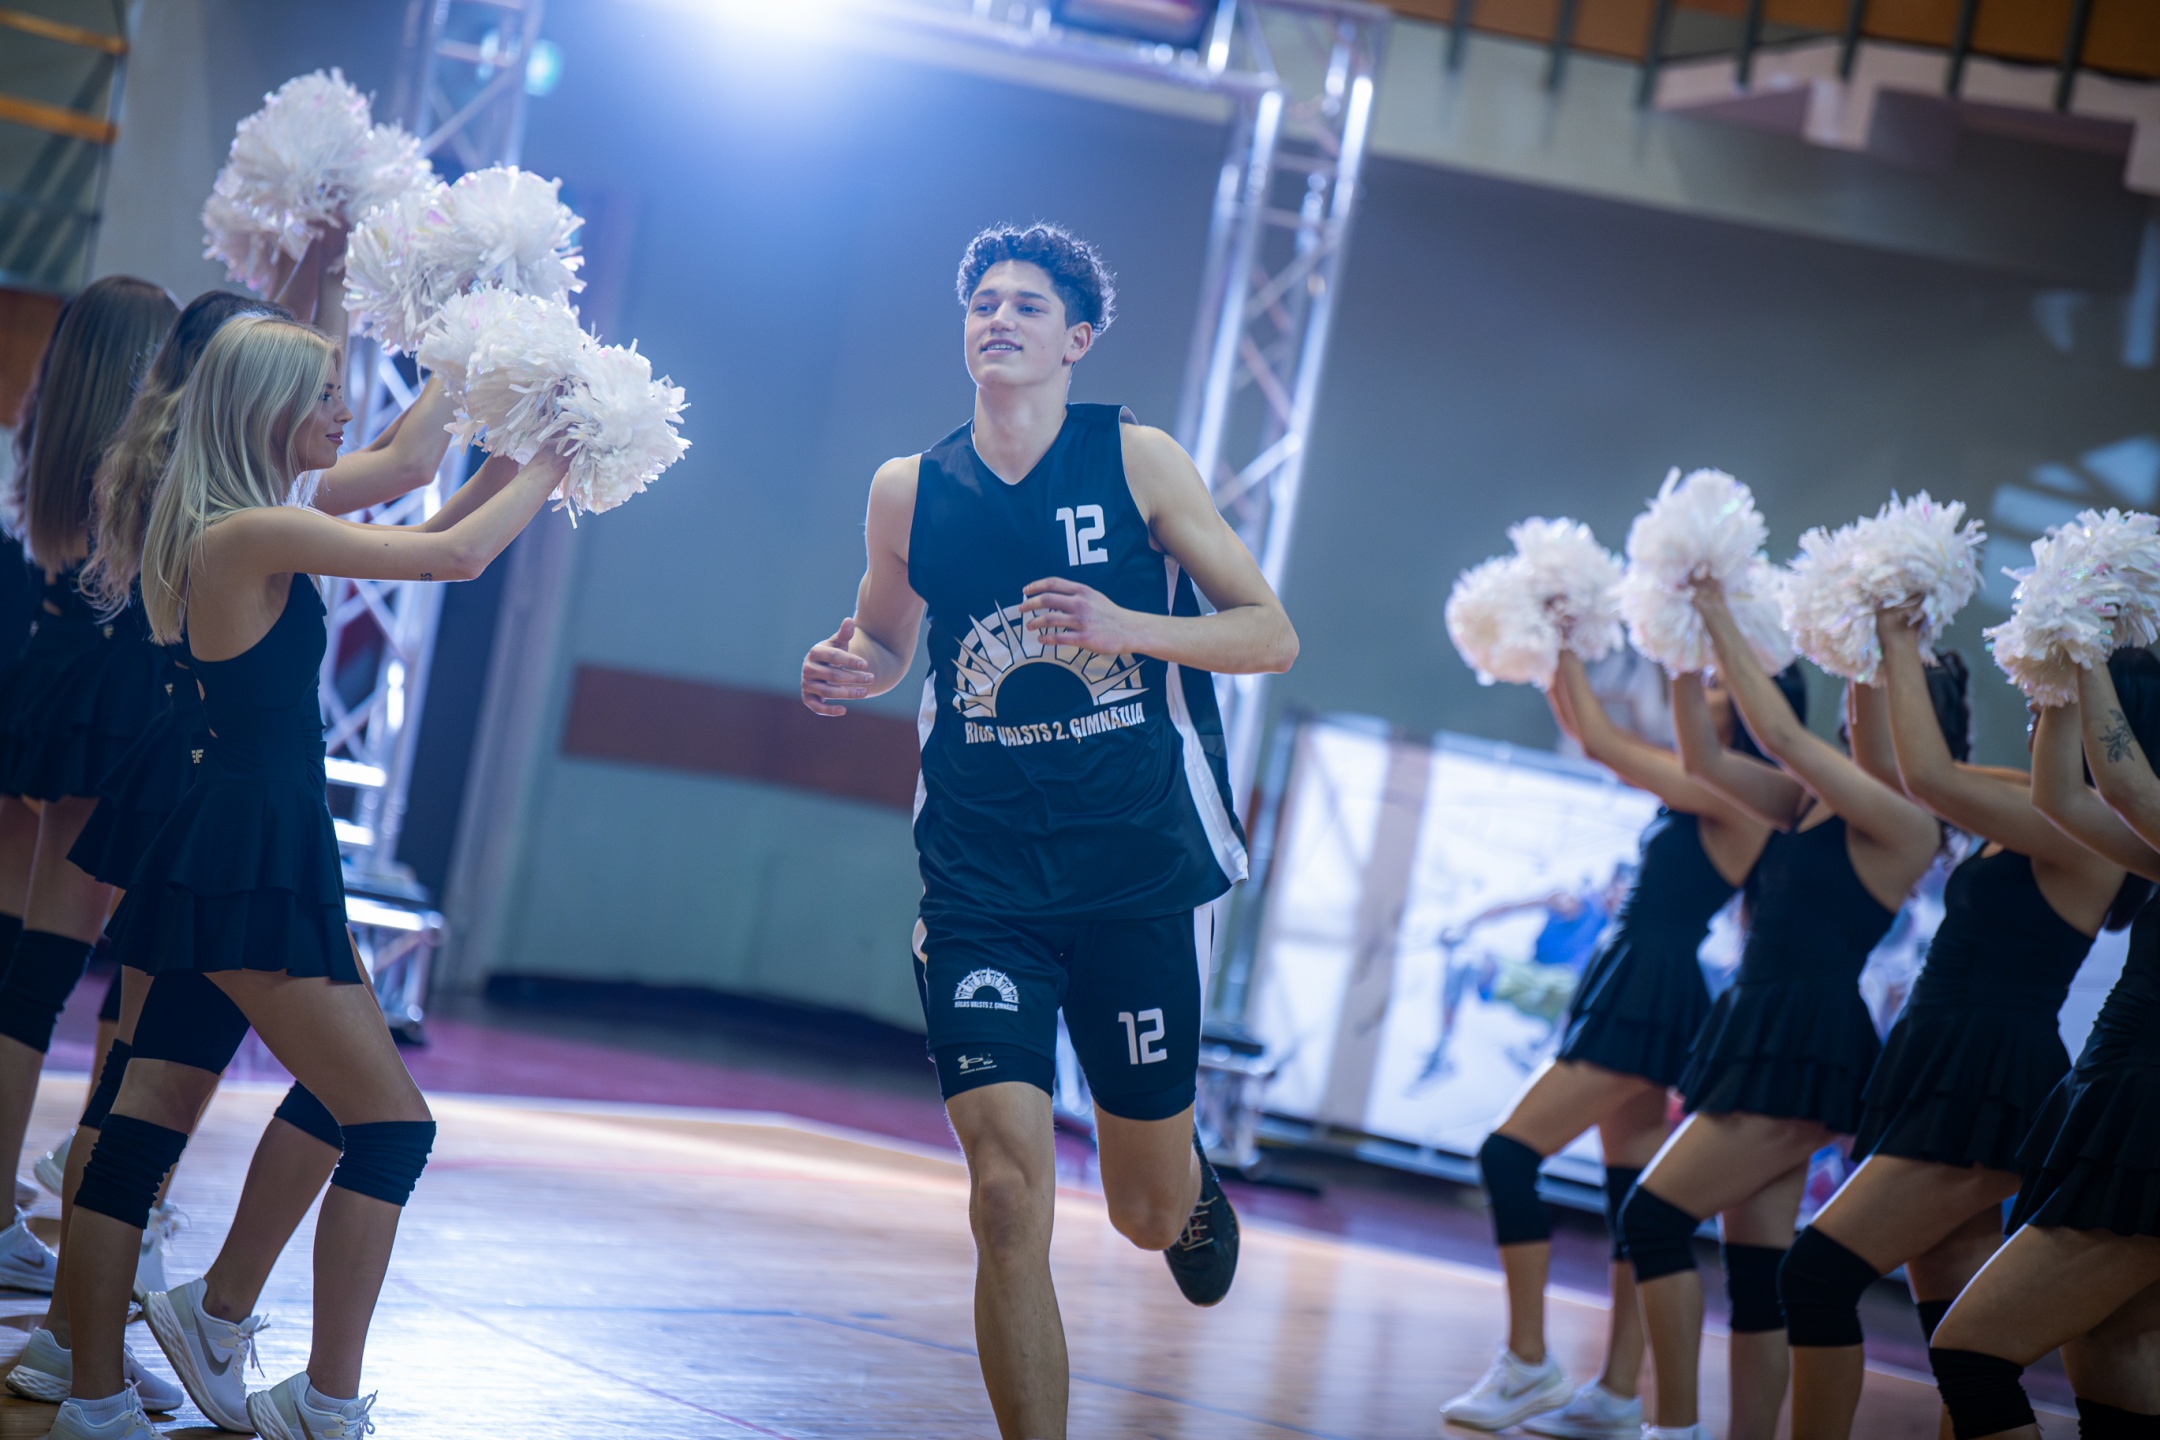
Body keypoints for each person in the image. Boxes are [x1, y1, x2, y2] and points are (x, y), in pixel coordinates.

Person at [798, 223, 1296, 1440]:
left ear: (1077, 339)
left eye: (1027, 304)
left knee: (1140, 1210)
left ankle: (1183, 1184)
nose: (999, 317)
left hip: (1133, 874)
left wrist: (1131, 625)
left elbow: (1269, 633)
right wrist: (851, 664)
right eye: (983, 301)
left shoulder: (1137, 460)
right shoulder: (910, 489)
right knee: (1008, 1198)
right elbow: (888, 635)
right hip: (982, 884)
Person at [50, 313, 566, 1440]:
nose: (344, 413)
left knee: (143, 1127)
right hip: (249, 850)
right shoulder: (250, 530)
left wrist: (518, 448)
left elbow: (437, 523)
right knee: (390, 1125)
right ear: (266, 412)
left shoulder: (240, 519)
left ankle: (107, 1385)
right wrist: (562, 461)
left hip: (230, 841)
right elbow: (452, 558)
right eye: (327, 395)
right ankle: (320, 1400)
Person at [1777, 616, 2145, 1440]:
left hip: (1985, 1075)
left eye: (2062, 699)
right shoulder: (2036, 800)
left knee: (1817, 1276)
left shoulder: (2093, 833)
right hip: (1941, 1058)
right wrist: (1865, 644)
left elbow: (1930, 774)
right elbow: (1889, 768)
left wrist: (1896, 636)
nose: (2042, 708)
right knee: (1956, 1335)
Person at [1620, 579, 1959, 1440]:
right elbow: (1706, 760)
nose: (1859, 710)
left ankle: (1672, 1428)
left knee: (1653, 1218)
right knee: (1756, 1272)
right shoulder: (1809, 801)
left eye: (1879, 693)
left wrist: (1718, 610)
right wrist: (1683, 647)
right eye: (1860, 693)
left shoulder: (1909, 825)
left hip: (1801, 1042)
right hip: (1753, 1024)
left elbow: (1777, 733)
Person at [1440, 650, 1799, 1438]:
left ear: (1752, 709)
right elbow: (1591, 732)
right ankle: (1615, 1395)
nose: (1701, 692)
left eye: (1716, 684)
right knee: (1629, 1200)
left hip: (1649, 986)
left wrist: (1570, 644)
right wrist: (1548, 648)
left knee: (1507, 1156)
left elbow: (1606, 744)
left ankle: (1528, 1360)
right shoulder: (1707, 780)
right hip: (1635, 976)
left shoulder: (1741, 794)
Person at [1922, 651, 2160, 1438]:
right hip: (2119, 1100)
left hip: (2145, 1117)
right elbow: (2062, 796)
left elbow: (2123, 786)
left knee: (1971, 1353)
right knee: (2116, 1362)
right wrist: (2060, 671)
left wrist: (2086, 646)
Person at [0, 277, 178, 1294]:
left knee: (27, 962)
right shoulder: (143, 460)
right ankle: (94, 1218)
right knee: (105, 968)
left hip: (50, 670)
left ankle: (20, 1212)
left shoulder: (52, 428)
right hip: (116, 687)